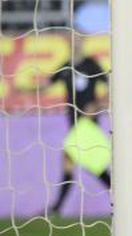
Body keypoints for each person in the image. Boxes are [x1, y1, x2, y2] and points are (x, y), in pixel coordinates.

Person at [38, 36, 112, 215]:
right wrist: (26, 88)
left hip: (88, 123)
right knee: (81, 162)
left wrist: (98, 104)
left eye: (78, 41)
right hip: (73, 123)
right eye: (73, 41)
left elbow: (111, 85)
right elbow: (47, 84)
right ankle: (57, 207)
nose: (76, 44)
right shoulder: (66, 66)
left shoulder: (91, 64)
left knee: (79, 161)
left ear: (82, 43)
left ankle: (56, 208)